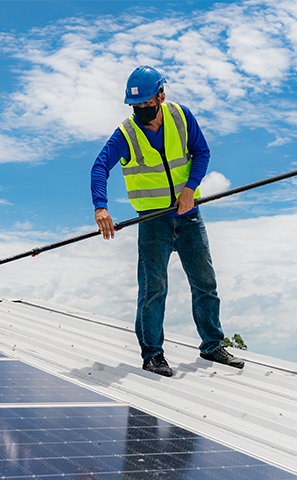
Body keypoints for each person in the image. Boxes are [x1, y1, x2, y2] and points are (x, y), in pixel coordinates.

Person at [90, 65, 244, 377]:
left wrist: (189, 190)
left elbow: (201, 153)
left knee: (205, 283)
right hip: (153, 221)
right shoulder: (127, 133)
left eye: (147, 104)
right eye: (136, 106)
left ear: (161, 96)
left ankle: (212, 345)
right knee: (153, 288)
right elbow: (99, 166)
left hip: (189, 216)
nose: (142, 111)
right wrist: (101, 207)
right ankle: (153, 355)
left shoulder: (181, 117)